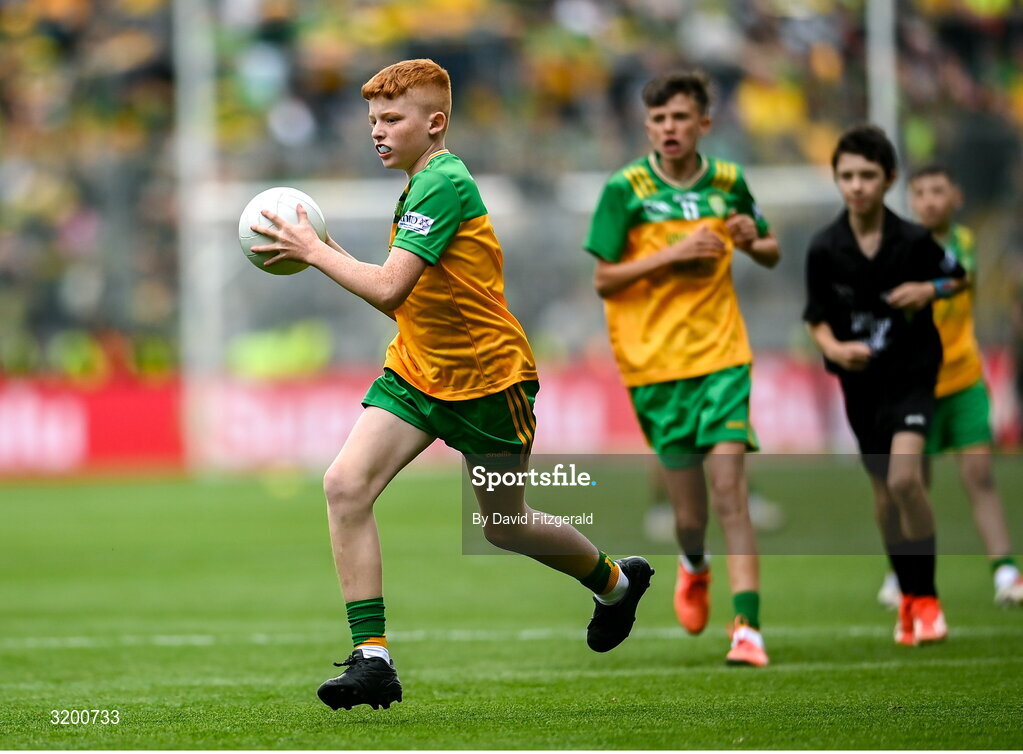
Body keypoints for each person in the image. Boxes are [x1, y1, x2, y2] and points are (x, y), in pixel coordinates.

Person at [249, 58, 653, 711]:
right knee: (344, 486)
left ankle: (614, 583)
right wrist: (323, 249)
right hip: (417, 370)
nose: (377, 131)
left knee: (505, 526)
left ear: (434, 123)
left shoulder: (444, 182)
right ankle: (371, 657)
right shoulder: (417, 183)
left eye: (392, 119)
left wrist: (313, 249)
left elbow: (388, 286)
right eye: (372, 120)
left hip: (487, 381)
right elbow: (399, 299)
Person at [584, 70, 780, 667]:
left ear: (703, 124)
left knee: (731, 494)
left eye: (680, 117)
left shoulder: (729, 181)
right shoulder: (626, 188)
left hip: (722, 357)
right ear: (648, 126)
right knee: (690, 518)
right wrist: (674, 252)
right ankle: (693, 563)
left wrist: (752, 240)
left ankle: (747, 628)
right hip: (656, 368)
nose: (670, 127)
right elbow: (604, 277)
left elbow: (767, 250)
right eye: (659, 119)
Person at [803, 125, 966, 647]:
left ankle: (926, 597)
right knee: (883, 496)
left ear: (888, 178)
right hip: (861, 386)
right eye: (847, 176)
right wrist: (835, 349)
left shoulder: (914, 241)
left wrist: (928, 288)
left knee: (904, 481)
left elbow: (957, 277)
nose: (856, 186)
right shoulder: (826, 248)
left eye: (867, 175)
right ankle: (908, 599)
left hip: (913, 376)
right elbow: (818, 319)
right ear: (836, 180)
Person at [875, 165, 1023, 609]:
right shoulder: (896, 246)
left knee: (979, 476)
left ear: (955, 196)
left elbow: (960, 278)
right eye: (920, 192)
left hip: (962, 379)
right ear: (911, 200)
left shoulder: (964, 243)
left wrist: (925, 289)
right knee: (911, 483)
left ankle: (1005, 570)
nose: (929, 200)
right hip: (914, 386)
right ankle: (903, 572)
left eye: (938, 191)